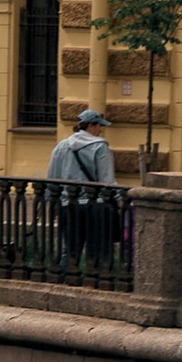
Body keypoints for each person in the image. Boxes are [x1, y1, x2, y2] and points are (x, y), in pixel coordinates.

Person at [46, 102, 119, 271]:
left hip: (68, 205)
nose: (100, 130)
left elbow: (52, 179)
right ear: (91, 126)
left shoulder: (60, 147)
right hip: (95, 206)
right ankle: (97, 286)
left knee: (70, 251)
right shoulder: (100, 147)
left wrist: (51, 203)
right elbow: (107, 180)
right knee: (98, 251)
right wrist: (120, 199)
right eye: (99, 126)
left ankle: (64, 283)